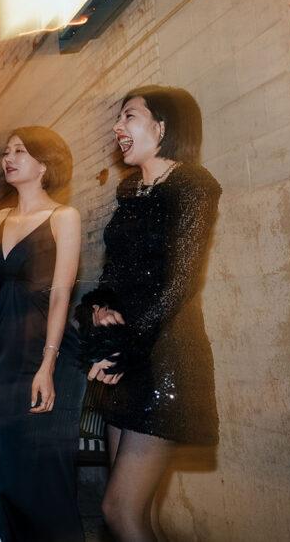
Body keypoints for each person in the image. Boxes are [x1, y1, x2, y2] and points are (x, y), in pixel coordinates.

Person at [82, 85, 220, 541]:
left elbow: (182, 281)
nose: (117, 128)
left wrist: (129, 343)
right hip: (129, 358)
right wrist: (102, 308)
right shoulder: (130, 190)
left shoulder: (194, 184)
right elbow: (116, 274)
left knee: (119, 509)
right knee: (133, 516)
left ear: (162, 126)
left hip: (166, 357)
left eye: (129, 117)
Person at [0, 126, 85, 541]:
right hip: (2, 360)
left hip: (48, 355)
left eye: (20, 151)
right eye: (7, 151)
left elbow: (61, 295)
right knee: (3, 474)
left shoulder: (64, 217)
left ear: (44, 164)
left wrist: (48, 363)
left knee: (45, 477)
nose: (9, 157)